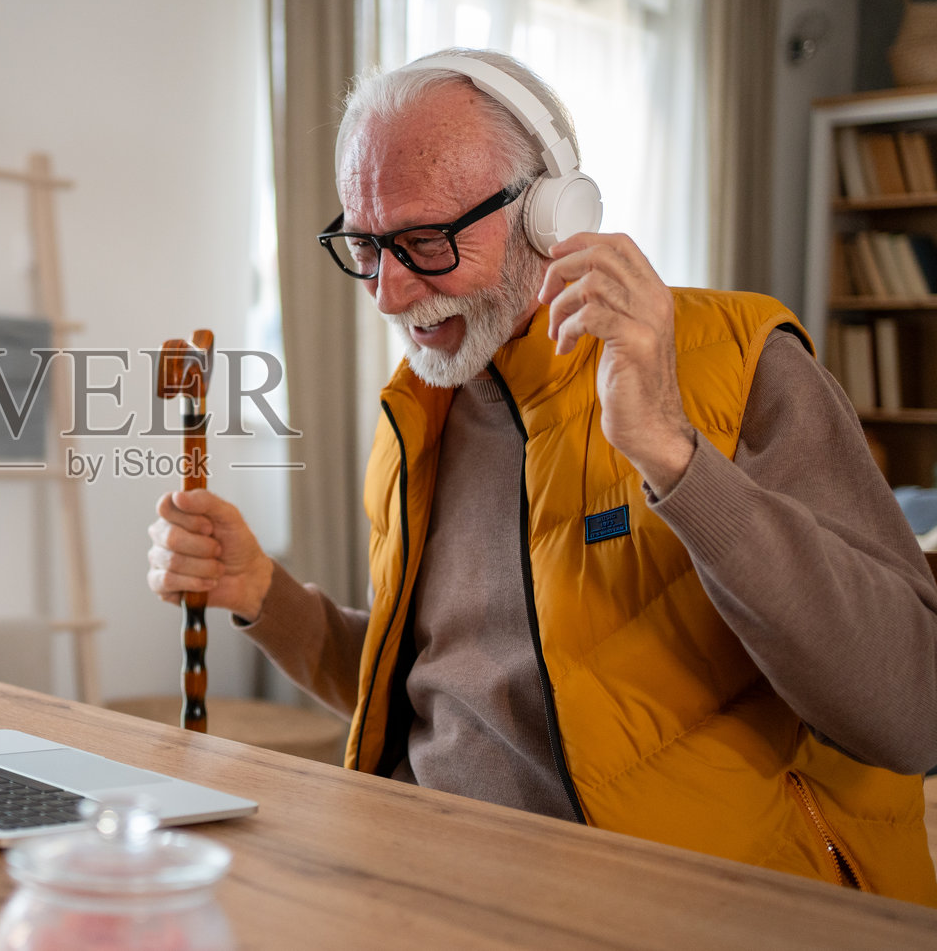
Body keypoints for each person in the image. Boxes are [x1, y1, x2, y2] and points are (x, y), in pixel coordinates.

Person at [145, 47, 937, 905]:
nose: (387, 293)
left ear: (553, 215)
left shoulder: (741, 363)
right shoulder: (422, 413)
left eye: (425, 242)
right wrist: (263, 590)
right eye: (366, 247)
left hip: (686, 911)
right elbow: (444, 692)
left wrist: (675, 455)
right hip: (443, 894)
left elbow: (910, 709)